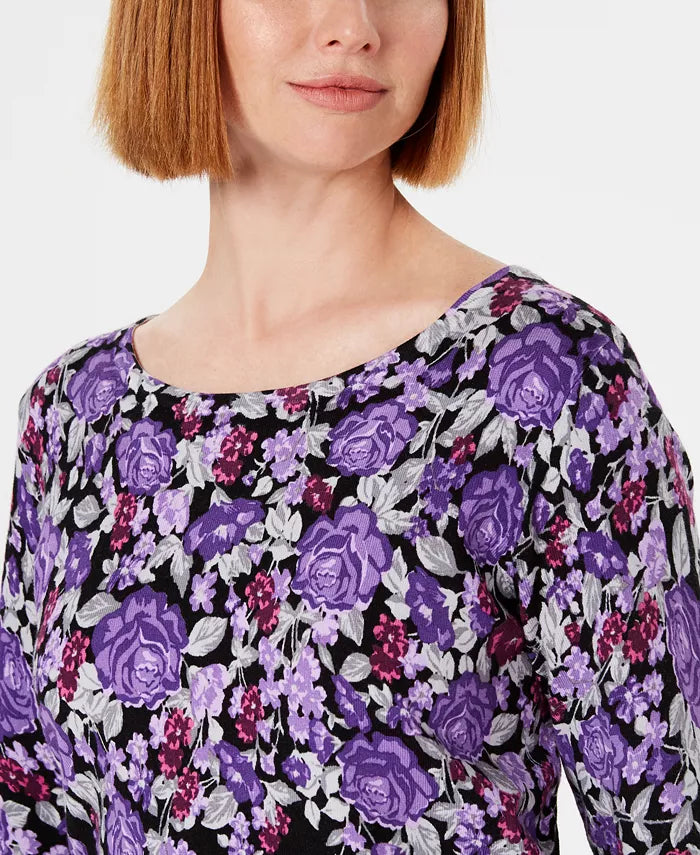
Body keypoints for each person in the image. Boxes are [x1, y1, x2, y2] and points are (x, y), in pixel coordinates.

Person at [1, 1, 698, 854]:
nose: (355, 24)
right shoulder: (78, 413)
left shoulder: (544, 376)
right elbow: (32, 814)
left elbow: (670, 818)